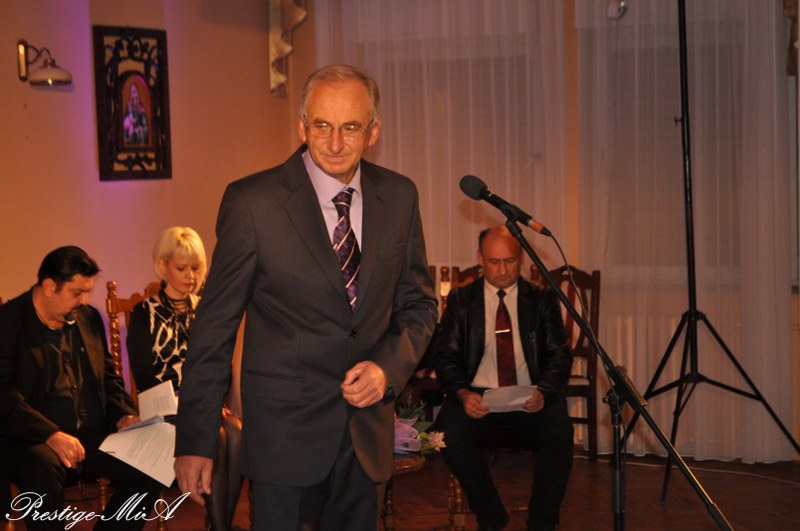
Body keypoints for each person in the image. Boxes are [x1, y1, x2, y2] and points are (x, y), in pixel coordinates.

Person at [174, 64, 438, 530]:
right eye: (321, 125)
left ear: (373, 131)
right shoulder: (253, 202)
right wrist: (196, 441)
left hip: (365, 437)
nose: (334, 143)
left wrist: (386, 369)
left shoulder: (400, 197)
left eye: (350, 127)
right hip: (283, 438)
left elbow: (419, 305)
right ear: (301, 126)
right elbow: (214, 328)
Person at [0, 246, 163, 531]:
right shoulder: (9, 321)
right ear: (49, 287)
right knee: (42, 468)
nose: (85, 300)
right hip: (32, 439)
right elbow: (3, 394)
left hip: (91, 433)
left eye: (87, 291)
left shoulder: (87, 317)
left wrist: (124, 415)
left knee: (152, 464)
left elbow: (108, 376)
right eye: (77, 292)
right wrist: (50, 434)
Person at [432, 226, 574, 531]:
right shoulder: (462, 299)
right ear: (480, 258)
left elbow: (560, 354)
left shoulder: (541, 299)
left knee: (560, 432)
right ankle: (491, 514)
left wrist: (545, 391)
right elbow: (446, 356)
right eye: (494, 262)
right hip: (478, 395)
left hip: (531, 394)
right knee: (448, 433)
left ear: (521, 258)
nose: (502, 270)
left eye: (509, 261)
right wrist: (463, 394)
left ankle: (542, 522)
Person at [126, 226, 244, 530]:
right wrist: (189, 405)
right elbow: (144, 375)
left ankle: (219, 524)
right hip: (161, 409)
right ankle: (219, 526)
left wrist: (214, 402)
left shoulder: (206, 310)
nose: (191, 276)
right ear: (162, 265)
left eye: (196, 267)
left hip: (201, 405)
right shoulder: (144, 312)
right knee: (218, 435)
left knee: (236, 431)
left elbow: (220, 365)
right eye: (182, 268)